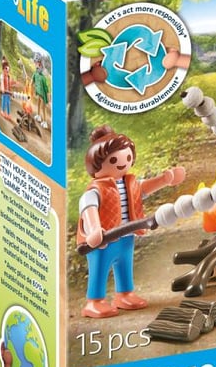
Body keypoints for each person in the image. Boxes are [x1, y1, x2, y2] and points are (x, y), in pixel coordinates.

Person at [77, 125, 185, 318]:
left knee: (124, 265)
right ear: (97, 164)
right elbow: (88, 208)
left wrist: (165, 179)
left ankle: (124, 294)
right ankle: (95, 301)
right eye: (113, 160)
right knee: (99, 269)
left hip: (126, 236)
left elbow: (143, 189)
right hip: (104, 240)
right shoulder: (96, 190)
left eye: (128, 158)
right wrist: (94, 229)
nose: (122, 163)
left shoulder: (130, 183)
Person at [31, 55, 50, 129]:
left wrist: (48, 98)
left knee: (43, 107)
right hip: (39, 92)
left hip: (43, 94)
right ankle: (38, 116)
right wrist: (31, 84)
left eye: (35, 62)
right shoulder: (36, 72)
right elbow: (33, 79)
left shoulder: (43, 76)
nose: (34, 64)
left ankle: (45, 122)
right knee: (38, 103)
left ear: (39, 63)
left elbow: (46, 88)